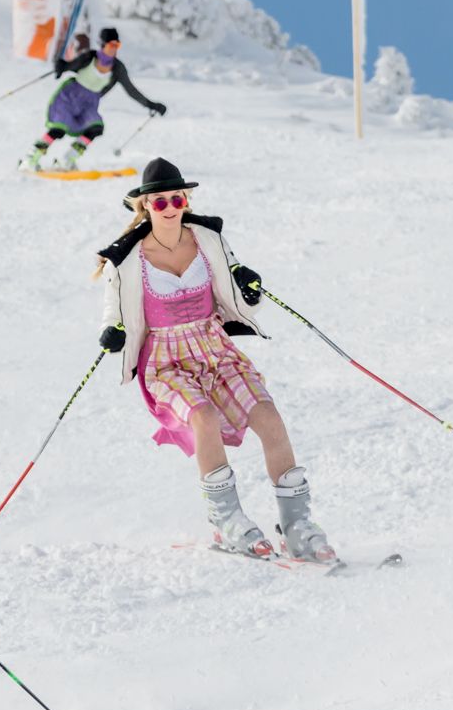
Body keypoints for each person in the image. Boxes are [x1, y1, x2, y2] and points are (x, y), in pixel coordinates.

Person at [92, 159, 334, 562]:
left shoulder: (208, 239)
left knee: (268, 416)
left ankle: (297, 525)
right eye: (159, 201)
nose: (169, 207)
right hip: (165, 360)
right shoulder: (128, 259)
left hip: (215, 348)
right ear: (145, 206)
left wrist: (249, 290)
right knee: (202, 417)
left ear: (185, 201)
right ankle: (227, 520)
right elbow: (113, 311)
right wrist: (112, 333)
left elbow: (234, 286)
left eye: (176, 199)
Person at [23, 26, 165, 172]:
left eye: (117, 45)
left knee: (95, 128)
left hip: (89, 104)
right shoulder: (89, 57)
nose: (114, 49)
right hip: (69, 97)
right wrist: (61, 66)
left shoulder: (117, 68)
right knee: (58, 129)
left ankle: (68, 159)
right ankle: (30, 158)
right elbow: (69, 66)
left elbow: (131, 90)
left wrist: (151, 105)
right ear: (103, 44)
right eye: (111, 45)